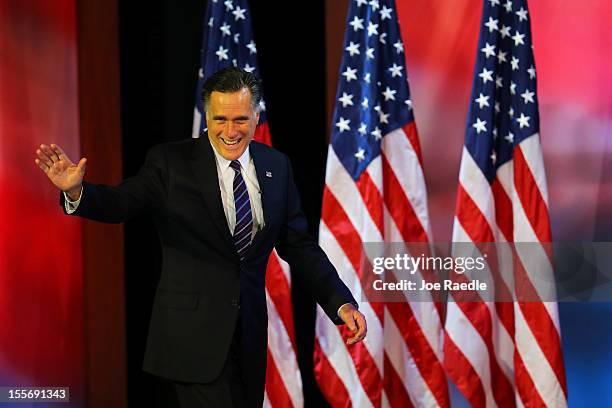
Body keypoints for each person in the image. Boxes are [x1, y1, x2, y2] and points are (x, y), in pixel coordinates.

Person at [34, 67, 366, 407]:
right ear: (207, 115)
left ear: (256, 115)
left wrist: (339, 301)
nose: (230, 131)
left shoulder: (276, 166)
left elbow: (299, 245)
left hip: (248, 337)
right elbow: (121, 203)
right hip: (192, 337)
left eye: (240, 119)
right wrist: (78, 192)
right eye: (219, 119)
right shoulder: (170, 162)